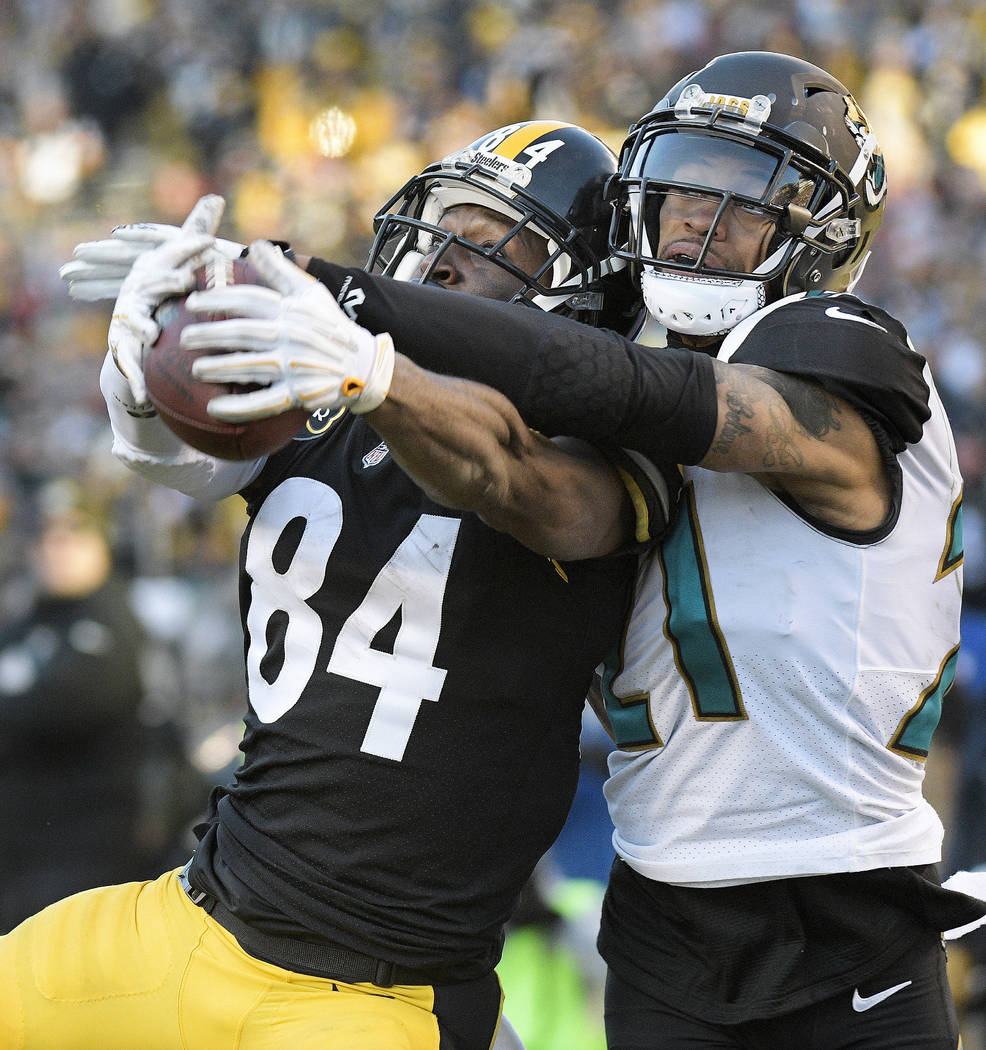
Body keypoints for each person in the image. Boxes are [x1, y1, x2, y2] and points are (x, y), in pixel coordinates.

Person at [118, 53, 986, 1049]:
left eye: (743, 200)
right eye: (678, 192)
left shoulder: (840, 359)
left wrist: (339, 298)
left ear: (822, 233)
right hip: (662, 911)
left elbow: (650, 397)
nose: (698, 222)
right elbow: (524, 455)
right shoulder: (605, 427)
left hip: (846, 906)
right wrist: (153, 396)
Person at [1, 122, 673, 1050]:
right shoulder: (333, 400)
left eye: (488, 245)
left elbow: (508, 477)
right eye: (439, 229)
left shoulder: (605, 456)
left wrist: (376, 374)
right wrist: (141, 376)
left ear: (578, 298)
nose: (438, 264)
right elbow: (185, 462)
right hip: (193, 918)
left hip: (370, 993)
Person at [0, 478, 154, 932]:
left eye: (73, 532)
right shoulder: (29, 624)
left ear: (101, 541)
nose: (57, 547)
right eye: (46, 535)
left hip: (82, 860)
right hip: (20, 851)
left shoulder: (112, 622)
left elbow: (64, 706)